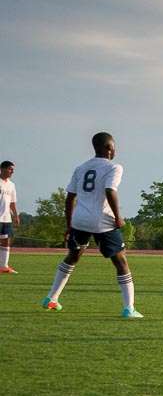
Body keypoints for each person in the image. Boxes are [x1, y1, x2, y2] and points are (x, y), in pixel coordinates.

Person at [42, 132, 142, 318]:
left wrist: (69, 224)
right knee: (121, 262)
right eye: (114, 146)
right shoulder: (114, 168)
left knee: (73, 256)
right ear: (109, 148)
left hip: (80, 220)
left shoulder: (81, 168)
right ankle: (129, 308)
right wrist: (118, 217)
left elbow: (69, 198)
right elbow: (110, 190)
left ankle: (51, 298)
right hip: (102, 221)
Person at [0, 160, 18, 274]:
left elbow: (12, 202)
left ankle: (4, 266)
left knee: (6, 240)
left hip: (6, 218)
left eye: (13, 170)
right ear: (2, 169)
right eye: (10, 169)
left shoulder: (11, 185)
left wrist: (16, 215)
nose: (12, 171)